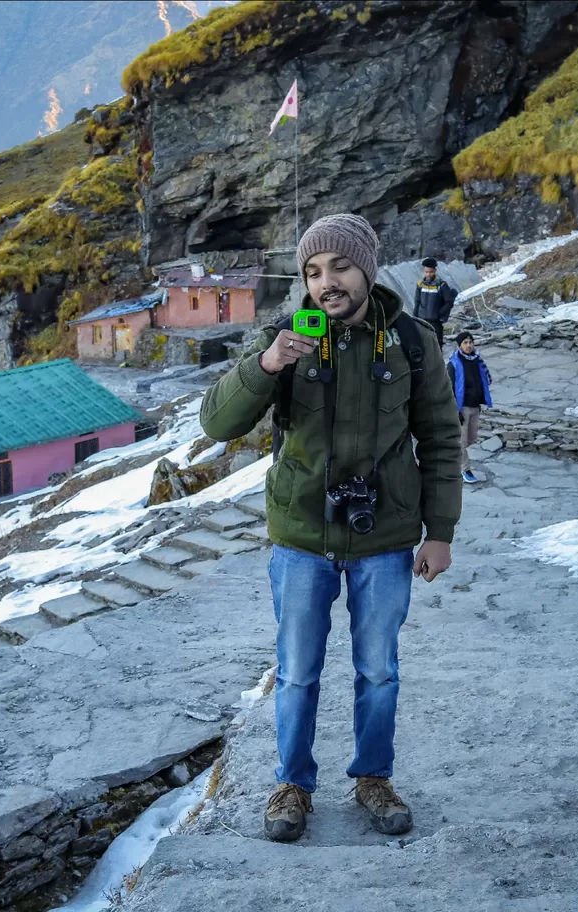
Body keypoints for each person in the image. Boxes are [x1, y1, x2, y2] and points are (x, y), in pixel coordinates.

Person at [200, 214, 463, 843]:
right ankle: (293, 784)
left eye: (339, 268)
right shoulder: (283, 335)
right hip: (302, 539)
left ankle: (373, 777)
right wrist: (266, 365)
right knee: (296, 671)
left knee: (378, 669)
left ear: (366, 271)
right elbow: (217, 426)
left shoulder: (413, 340)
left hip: (386, 536)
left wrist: (441, 530)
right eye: (313, 272)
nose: (326, 283)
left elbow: (441, 437)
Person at [447, 331, 493, 484]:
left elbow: (482, 382)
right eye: (465, 343)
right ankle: (465, 470)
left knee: (470, 439)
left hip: (475, 406)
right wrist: (454, 410)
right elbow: (450, 388)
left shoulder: (477, 361)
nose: (469, 345)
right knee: (461, 441)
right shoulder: (453, 364)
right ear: (460, 345)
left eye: (470, 342)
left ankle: (452, 457)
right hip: (462, 407)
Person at [414, 257, 457, 348]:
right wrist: (414, 317)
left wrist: (439, 314)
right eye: (426, 272)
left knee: (436, 347)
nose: (428, 274)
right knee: (422, 346)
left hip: (435, 322)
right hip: (421, 321)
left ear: (435, 270)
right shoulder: (420, 284)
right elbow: (417, 301)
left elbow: (449, 302)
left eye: (431, 272)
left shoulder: (441, 285)